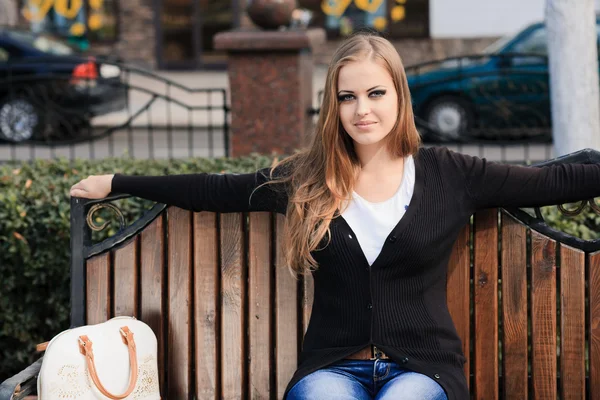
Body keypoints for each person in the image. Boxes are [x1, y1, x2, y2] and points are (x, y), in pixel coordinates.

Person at [70, 31, 600, 400]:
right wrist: (118, 183)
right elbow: (214, 188)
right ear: (334, 106)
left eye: (375, 93)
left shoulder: (449, 173)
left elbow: (551, 180)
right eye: (347, 97)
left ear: (399, 95)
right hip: (332, 370)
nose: (361, 110)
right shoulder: (307, 178)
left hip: (423, 371)